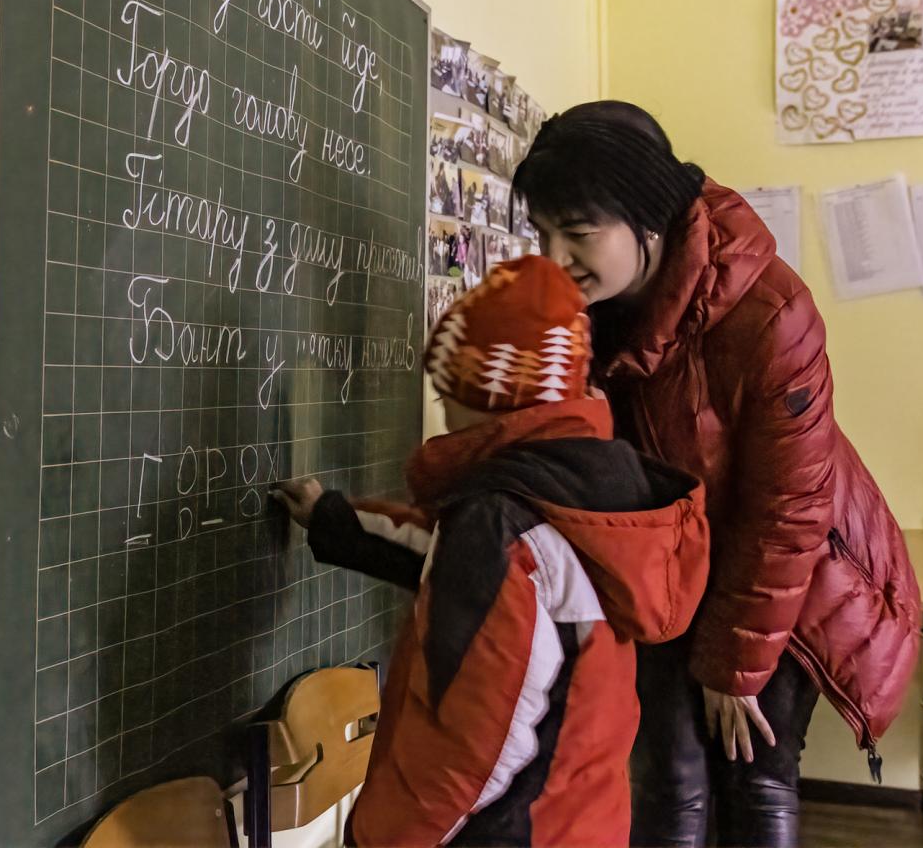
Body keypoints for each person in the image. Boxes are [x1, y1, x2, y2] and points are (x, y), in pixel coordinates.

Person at [508, 101, 921, 848]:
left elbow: (792, 507)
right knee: (669, 781)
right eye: (543, 233)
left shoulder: (770, 310)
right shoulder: (591, 310)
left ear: (650, 222)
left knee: (754, 774)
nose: (556, 255)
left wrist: (737, 663)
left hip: (789, 579)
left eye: (577, 233)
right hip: (677, 576)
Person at [273, 256, 709, 847]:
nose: (443, 410)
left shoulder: (500, 528)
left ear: (496, 398)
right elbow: (444, 555)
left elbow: (473, 748)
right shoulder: (583, 499)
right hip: (580, 818)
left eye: (451, 390)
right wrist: (335, 520)